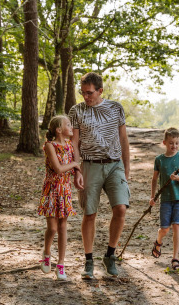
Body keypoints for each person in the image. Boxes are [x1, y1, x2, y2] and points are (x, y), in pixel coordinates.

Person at [68, 72, 130, 279]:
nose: (85, 96)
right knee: (90, 213)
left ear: (100, 90)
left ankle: (110, 256)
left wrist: (126, 169)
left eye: (89, 92)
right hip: (89, 165)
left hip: (114, 165)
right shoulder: (76, 111)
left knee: (120, 208)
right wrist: (76, 169)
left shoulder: (115, 108)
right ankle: (88, 261)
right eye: (82, 92)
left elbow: (123, 139)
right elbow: (74, 143)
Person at [38, 115, 80, 280]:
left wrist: (77, 171)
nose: (71, 127)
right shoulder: (50, 145)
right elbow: (58, 168)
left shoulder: (70, 145)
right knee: (53, 228)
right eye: (68, 125)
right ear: (58, 129)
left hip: (65, 190)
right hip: (51, 190)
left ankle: (61, 264)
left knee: (63, 227)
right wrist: (76, 165)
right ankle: (47, 253)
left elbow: (73, 167)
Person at [149, 128, 179, 271]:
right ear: (164, 143)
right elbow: (154, 179)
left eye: (177, 143)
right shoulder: (159, 159)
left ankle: (175, 258)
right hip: (165, 199)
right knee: (165, 229)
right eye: (171, 143)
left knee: (176, 226)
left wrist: (177, 178)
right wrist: (152, 196)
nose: (174, 146)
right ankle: (158, 241)